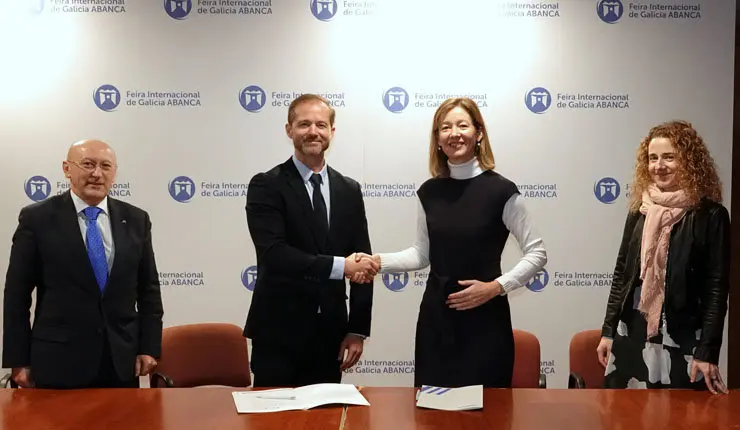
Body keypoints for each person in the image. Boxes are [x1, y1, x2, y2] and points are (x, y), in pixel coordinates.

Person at [354, 97, 547, 388]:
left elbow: (537, 253)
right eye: (445, 127)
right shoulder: (428, 192)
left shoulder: (502, 191)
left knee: (488, 415)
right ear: (438, 139)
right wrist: (378, 262)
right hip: (437, 319)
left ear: (478, 133)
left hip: (485, 318)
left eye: (462, 125)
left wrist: (495, 287)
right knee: (432, 411)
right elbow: (422, 254)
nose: (454, 133)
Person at [3, 139, 163, 389]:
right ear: (67, 169)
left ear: (114, 172)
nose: (97, 174)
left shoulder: (136, 219)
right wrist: (18, 360)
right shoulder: (37, 219)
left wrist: (149, 347)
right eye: (88, 164)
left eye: (105, 166)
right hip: (57, 363)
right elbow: (17, 295)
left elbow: (149, 290)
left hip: (119, 362)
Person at [245, 94, 377, 387]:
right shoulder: (267, 185)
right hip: (278, 334)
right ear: (289, 130)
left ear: (332, 131)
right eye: (304, 124)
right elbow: (274, 254)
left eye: (320, 124)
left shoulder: (349, 189)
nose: (313, 131)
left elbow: (363, 265)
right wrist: (341, 266)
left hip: (330, 336)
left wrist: (357, 329)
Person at [597, 120, 729, 394]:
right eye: (653, 158)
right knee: (627, 419)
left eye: (669, 157)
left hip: (683, 338)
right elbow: (622, 274)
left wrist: (707, 350)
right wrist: (609, 330)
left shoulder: (711, 215)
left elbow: (716, 289)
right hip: (632, 332)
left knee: (685, 420)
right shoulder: (639, 211)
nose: (659, 166)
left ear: (690, 161)